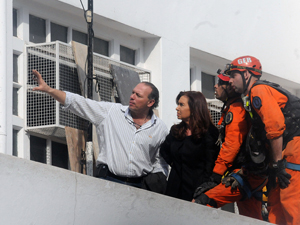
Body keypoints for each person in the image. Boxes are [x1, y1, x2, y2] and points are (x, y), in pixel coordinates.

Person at [31, 70, 169, 193]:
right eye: (132, 92)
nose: (132, 97)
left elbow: (160, 161)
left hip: (140, 186)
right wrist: (49, 90)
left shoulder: (160, 128)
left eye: (138, 95)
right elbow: (79, 102)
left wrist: (158, 184)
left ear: (150, 103)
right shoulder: (111, 112)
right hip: (109, 181)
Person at [227, 55, 299, 225]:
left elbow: (275, 128)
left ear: (246, 74)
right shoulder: (256, 94)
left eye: (233, 75)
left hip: (293, 149)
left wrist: (277, 164)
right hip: (283, 151)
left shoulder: (258, 91)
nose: (230, 81)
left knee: (292, 202)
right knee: (276, 204)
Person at [192, 72, 266, 220]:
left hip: (245, 173)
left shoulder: (236, 109)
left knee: (201, 202)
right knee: (251, 219)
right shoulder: (235, 107)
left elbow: (232, 144)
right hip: (252, 174)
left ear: (231, 88)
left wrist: (216, 176)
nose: (215, 85)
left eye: (220, 83)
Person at [160, 91, 219, 201]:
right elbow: (164, 151)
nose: (177, 108)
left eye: (181, 105)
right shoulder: (176, 131)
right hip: (174, 189)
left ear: (194, 108)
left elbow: (210, 166)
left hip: (196, 192)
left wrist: (202, 193)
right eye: (178, 104)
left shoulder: (209, 133)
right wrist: (176, 164)